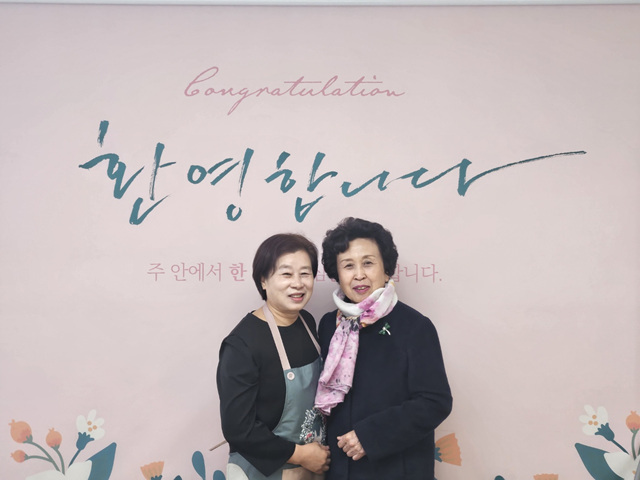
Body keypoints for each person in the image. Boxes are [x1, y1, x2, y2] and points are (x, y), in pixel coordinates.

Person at [314, 218, 452, 480]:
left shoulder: (415, 327)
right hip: (340, 471)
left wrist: (370, 436)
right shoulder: (330, 325)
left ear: (386, 270)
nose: (359, 274)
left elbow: (435, 402)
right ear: (337, 274)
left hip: (397, 469)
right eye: (348, 266)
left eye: (368, 263)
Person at [217, 233, 330, 480]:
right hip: (263, 471)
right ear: (263, 280)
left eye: (305, 273)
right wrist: (301, 455)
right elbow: (238, 428)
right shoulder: (241, 344)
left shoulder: (307, 322)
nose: (298, 283)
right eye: (286, 274)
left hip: (311, 467)